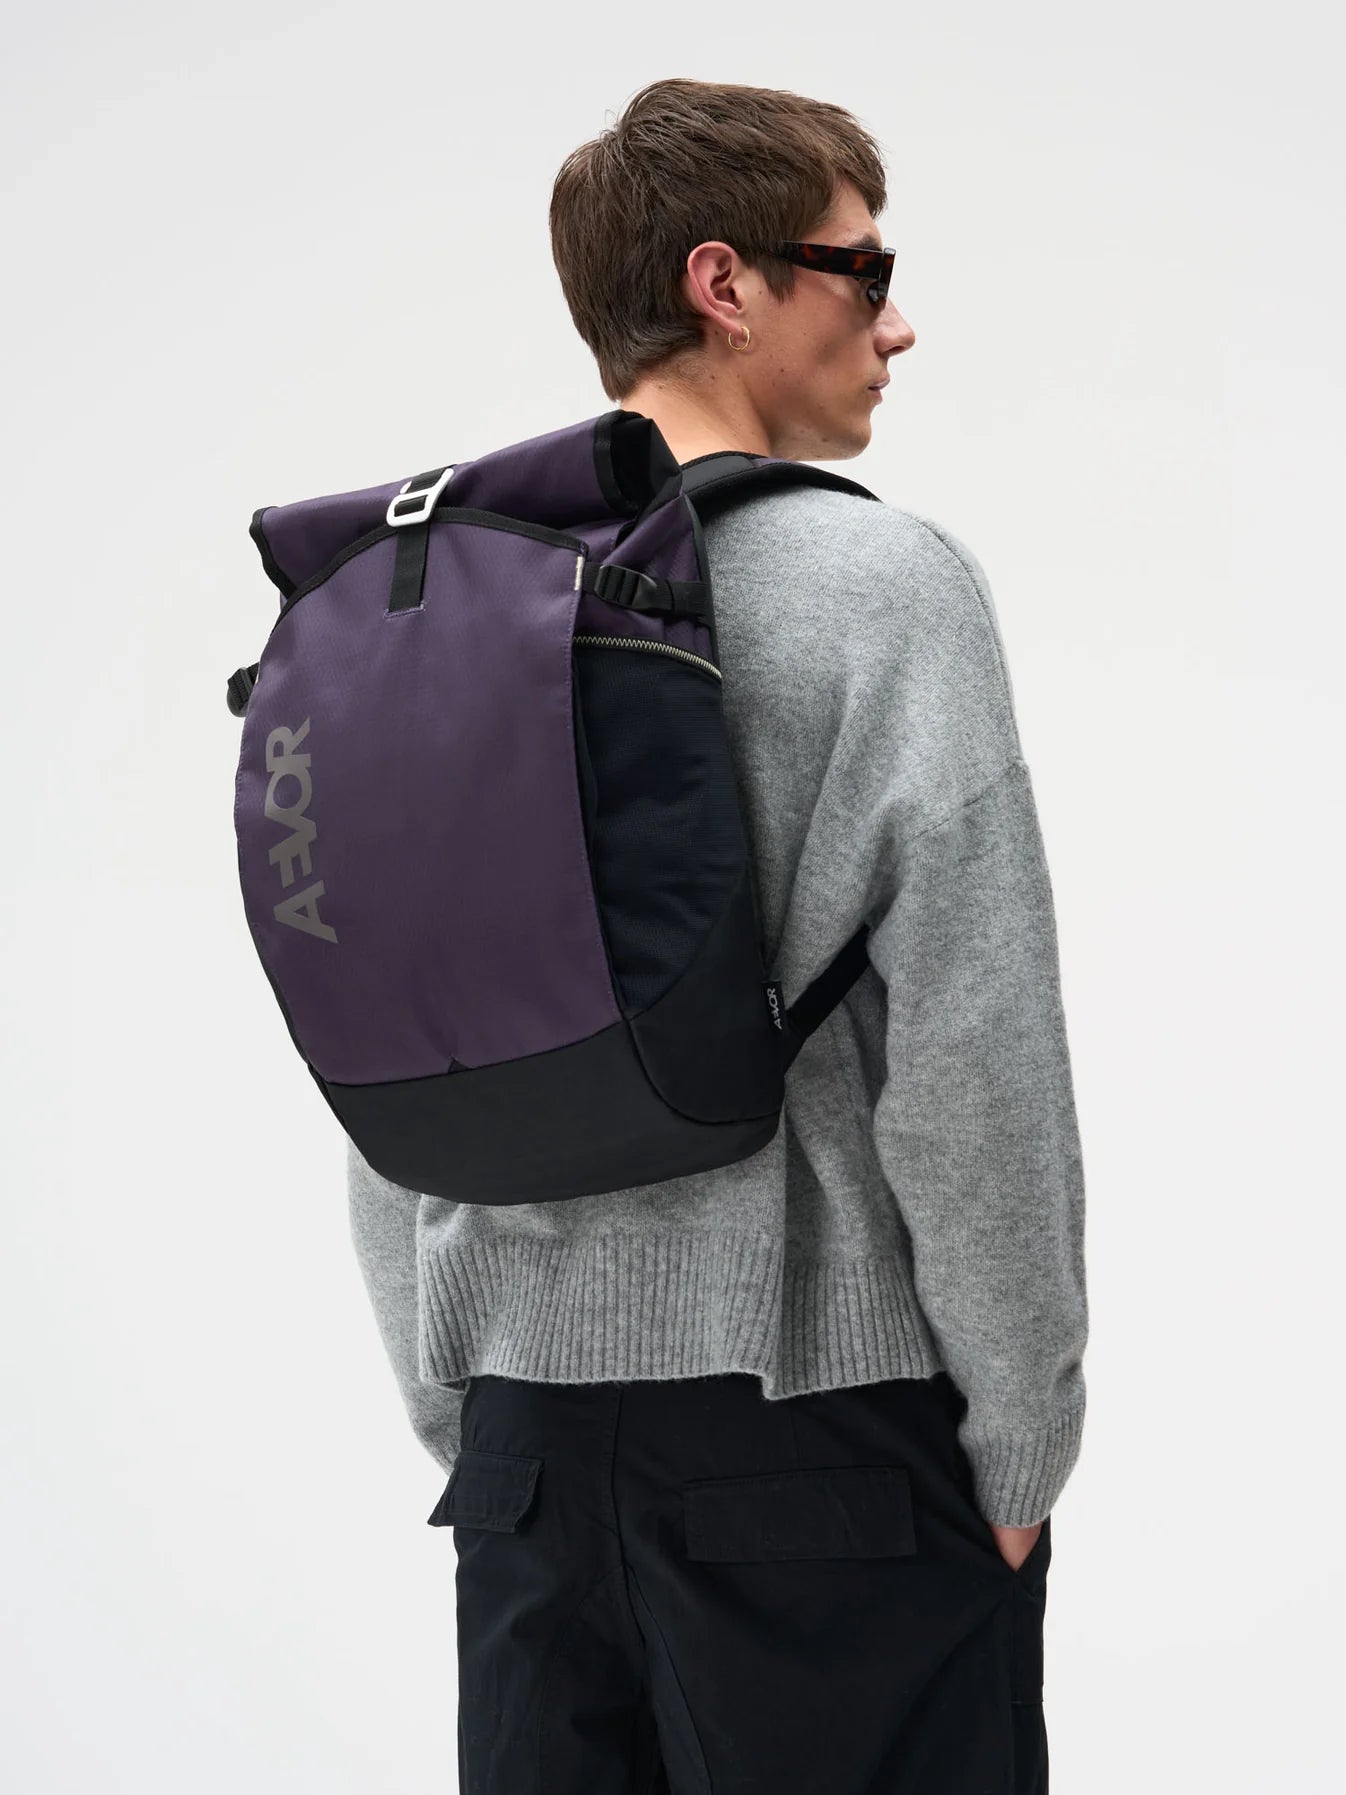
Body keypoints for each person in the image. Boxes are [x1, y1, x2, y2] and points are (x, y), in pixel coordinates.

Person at [348, 76, 1088, 1794]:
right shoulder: (884, 590)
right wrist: (1020, 1440)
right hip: (823, 1451)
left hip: (524, 1470)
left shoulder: (446, 600)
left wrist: (472, 1416)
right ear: (723, 284)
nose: (895, 322)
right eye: (859, 267)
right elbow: (973, 1054)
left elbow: (392, 1045)